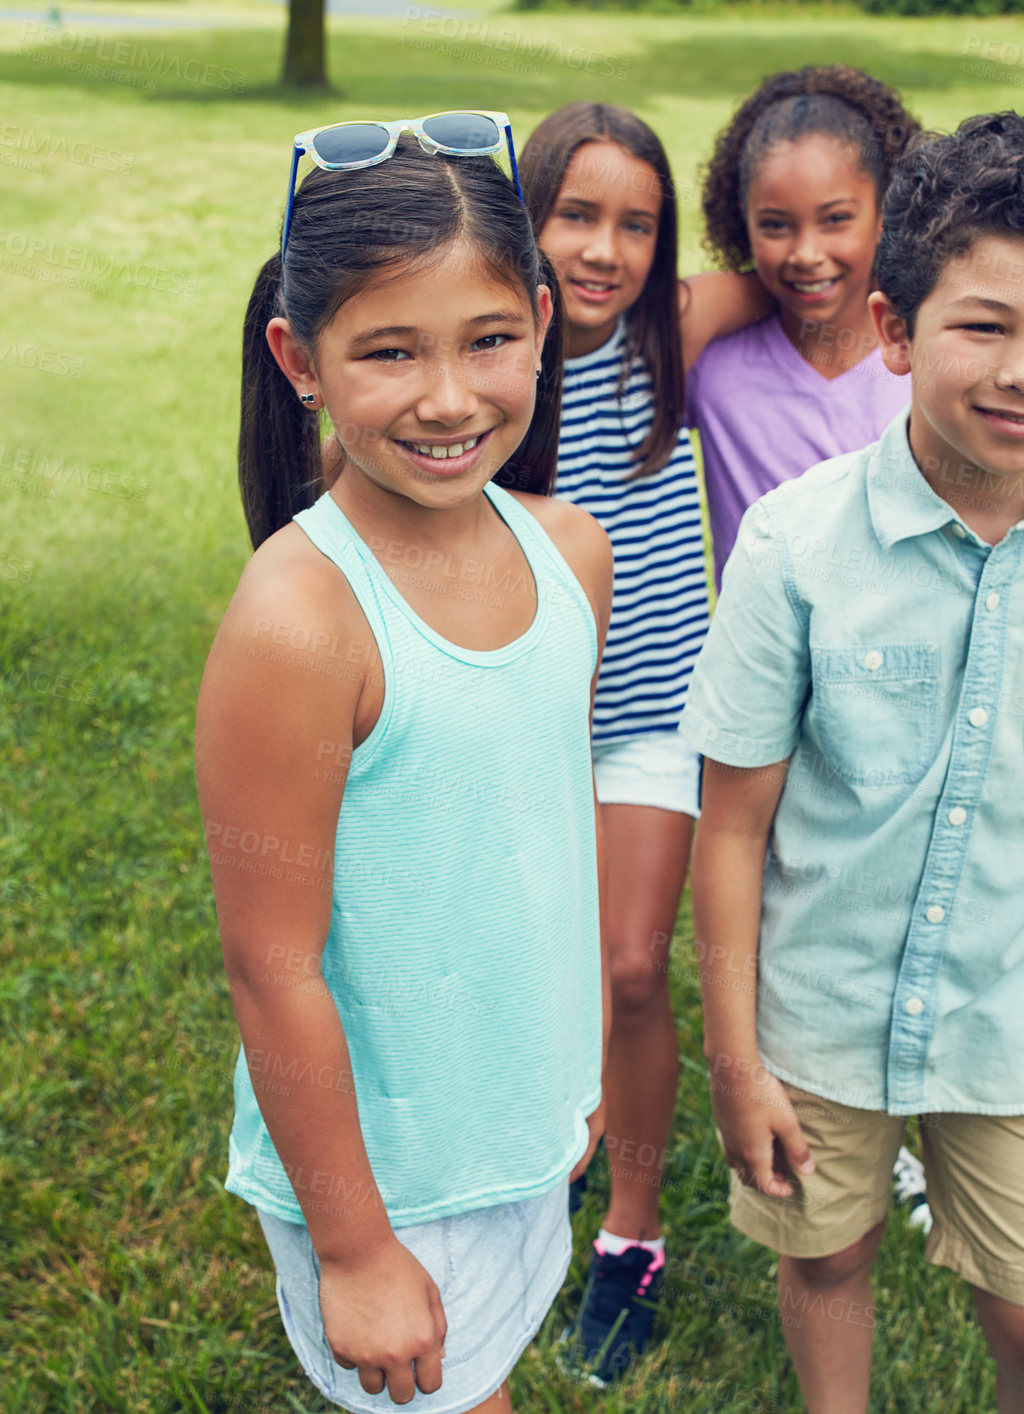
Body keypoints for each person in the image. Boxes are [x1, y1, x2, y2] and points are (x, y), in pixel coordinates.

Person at [681, 112, 1024, 1414]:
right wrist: (740, 1061)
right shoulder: (791, 550)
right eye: (983, 324)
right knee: (830, 1257)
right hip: (820, 1007)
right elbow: (734, 824)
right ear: (895, 332)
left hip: (1019, 1022)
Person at [195, 127, 612, 1414]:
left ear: (541, 323)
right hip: (389, 1172)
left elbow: (543, 832)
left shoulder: (569, 554)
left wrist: (574, 1072)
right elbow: (271, 965)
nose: (447, 397)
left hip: (518, 1125)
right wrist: (357, 1247)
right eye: (389, 350)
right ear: (298, 361)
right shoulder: (302, 621)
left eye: (487, 339)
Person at [518, 102, 770, 1387]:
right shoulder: (493, 350)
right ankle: (542, 1155)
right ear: (522, 217)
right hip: (522, 717)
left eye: (636, 223)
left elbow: (797, 262)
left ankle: (631, 1237)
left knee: (627, 969)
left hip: (660, 716)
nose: (604, 248)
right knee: (532, 965)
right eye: (575, 214)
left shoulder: (674, 328)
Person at [688, 65, 921, 589]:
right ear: (740, 220)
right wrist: (737, 291)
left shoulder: (925, 365)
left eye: (836, 218)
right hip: (759, 665)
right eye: (775, 225)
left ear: (886, 214)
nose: (806, 254)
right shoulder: (716, 364)